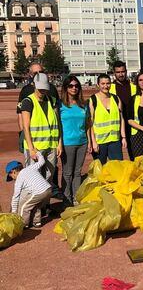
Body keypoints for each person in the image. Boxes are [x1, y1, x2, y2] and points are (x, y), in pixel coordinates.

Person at [19, 73, 61, 191]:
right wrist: (31, 148)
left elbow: (58, 124)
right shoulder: (28, 101)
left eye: (45, 89)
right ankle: (34, 209)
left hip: (51, 146)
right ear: (34, 85)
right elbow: (25, 127)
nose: (43, 91)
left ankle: (45, 207)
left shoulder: (52, 101)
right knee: (33, 178)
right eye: (40, 89)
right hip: (35, 148)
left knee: (48, 177)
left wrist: (59, 143)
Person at [59, 75, 90, 206]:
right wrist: (59, 143)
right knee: (67, 173)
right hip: (67, 143)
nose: (74, 88)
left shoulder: (83, 105)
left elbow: (88, 124)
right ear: (66, 88)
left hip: (82, 142)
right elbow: (58, 127)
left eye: (76, 86)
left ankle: (76, 198)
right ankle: (66, 199)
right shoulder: (60, 105)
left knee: (77, 172)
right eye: (71, 86)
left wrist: (89, 141)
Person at [7, 152, 52, 228]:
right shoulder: (30, 167)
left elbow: (16, 197)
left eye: (11, 176)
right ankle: (37, 222)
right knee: (36, 204)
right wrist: (37, 153)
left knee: (25, 206)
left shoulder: (19, 178)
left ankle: (23, 224)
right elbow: (42, 161)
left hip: (39, 192)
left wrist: (14, 213)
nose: (12, 179)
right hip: (49, 189)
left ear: (14, 172)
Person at [89, 74, 127, 163]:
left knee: (117, 168)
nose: (106, 86)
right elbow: (90, 123)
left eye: (108, 83)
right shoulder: (93, 100)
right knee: (100, 169)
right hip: (99, 142)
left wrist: (123, 137)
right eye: (103, 84)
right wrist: (93, 142)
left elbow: (122, 119)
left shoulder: (116, 98)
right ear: (98, 85)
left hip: (114, 140)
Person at [110, 61, 136, 159]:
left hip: (131, 124)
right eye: (118, 72)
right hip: (116, 125)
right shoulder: (110, 88)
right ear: (114, 73)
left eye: (123, 71)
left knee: (134, 153)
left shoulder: (134, 87)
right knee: (116, 157)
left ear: (126, 71)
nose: (121, 74)